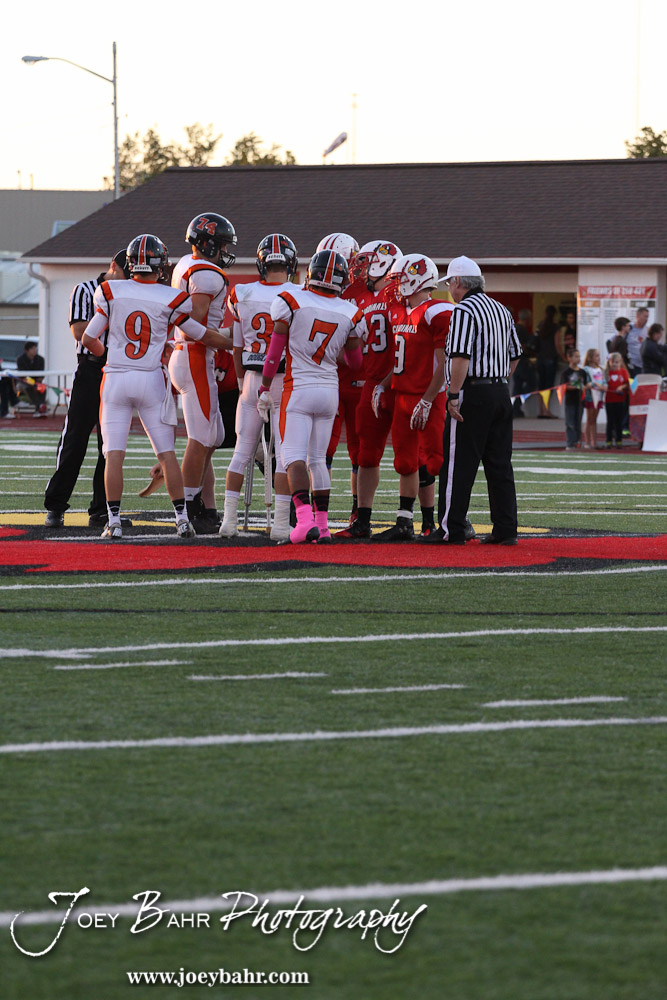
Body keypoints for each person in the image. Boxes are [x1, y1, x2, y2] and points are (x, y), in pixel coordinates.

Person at [80, 234, 231, 538]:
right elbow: (198, 333)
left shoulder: (110, 290)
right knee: (167, 454)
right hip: (151, 379)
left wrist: (110, 356)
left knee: (114, 454)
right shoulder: (170, 297)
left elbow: (87, 338)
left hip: (116, 378)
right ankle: (182, 519)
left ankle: (113, 521)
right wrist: (234, 341)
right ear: (161, 266)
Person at [256, 249, 366, 544]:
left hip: (299, 388)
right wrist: (332, 353)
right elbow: (356, 363)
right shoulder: (350, 312)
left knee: (293, 457)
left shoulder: (291, 302)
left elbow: (274, 352)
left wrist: (264, 387)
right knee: (318, 460)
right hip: (329, 389)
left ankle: (304, 522)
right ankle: (323, 525)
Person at [433, 255, 522, 545]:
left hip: (473, 391)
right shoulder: (501, 310)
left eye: (449, 283)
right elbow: (515, 354)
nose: (449, 288)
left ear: (457, 282)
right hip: (499, 391)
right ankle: (506, 529)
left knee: (458, 464)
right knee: (499, 465)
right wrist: (498, 379)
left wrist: (454, 394)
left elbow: (459, 356)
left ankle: (452, 528)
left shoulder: (463, 311)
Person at [218, 233, 299, 540]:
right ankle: (280, 524)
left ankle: (229, 521)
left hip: (252, 378)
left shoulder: (242, 293)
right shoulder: (298, 294)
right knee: (282, 451)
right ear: (289, 263)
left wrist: (241, 382)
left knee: (241, 451)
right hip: (283, 379)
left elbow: (237, 347)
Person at [43, 251, 130, 528]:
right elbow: (80, 330)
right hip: (92, 368)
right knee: (75, 440)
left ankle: (102, 510)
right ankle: (56, 505)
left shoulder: (130, 292)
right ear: (114, 266)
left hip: (117, 372)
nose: (131, 280)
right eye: (128, 273)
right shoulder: (86, 290)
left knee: (111, 445)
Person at [370, 253, 451, 541]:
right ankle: (405, 521)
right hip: (403, 395)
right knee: (404, 461)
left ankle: (447, 521)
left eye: (400, 278)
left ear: (417, 278)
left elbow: (445, 364)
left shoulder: (437, 311)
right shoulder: (400, 312)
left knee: (436, 462)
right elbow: (401, 361)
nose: (395, 285)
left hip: (428, 397)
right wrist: (382, 384)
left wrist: (428, 399)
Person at [169, 212, 236, 533]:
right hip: (194, 354)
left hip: (190, 356)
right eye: (221, 245)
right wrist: (231, 342)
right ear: (208, 244)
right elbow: (194, 325)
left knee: (213, 437)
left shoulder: (185, 263)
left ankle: (205, 507)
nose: (224, 252)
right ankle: (191, 506)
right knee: (203, 437)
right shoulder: (207, 275)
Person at [334, 239, 403, 539]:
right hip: (373, 380)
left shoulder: (398, 295)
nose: (358, 270)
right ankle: (362, 519)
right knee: (365, 454)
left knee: (411, 455)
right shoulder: (359, 296)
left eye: (364, 262)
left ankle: (412, 519)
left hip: (398, 382)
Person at [316, 233, 362, 524]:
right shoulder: (365, 295)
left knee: (323, 451)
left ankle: (316, 514)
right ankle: (358, 512)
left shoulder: (310, 294)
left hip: (327, 378)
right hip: (351, 378)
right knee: (356, 452)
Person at [560, 348, 590, 450]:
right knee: (570, 423)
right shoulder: (566, 373)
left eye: (579, 356)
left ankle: (578, 442)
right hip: (570, 401)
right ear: (569, 358)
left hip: (580, 401)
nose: (578, 359)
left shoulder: (582, 372)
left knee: (578, 422)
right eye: (576, 356)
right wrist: (575, 387)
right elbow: (563, 387)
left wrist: (585, 387)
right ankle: (570, 443)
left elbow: (585, 384)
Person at [511, 309, 538, 417]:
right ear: (527, 319)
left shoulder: (515, 328)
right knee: (532, 382)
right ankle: (516, 405)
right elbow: (522, 347)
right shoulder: (522, 330)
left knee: (517, 385)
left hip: (514, 361)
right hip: (522, 361)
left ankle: (515, 408)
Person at [536, 304, 560, 417]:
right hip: (551, 358)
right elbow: (557, 344)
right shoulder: (555, 327)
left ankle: (541, 410)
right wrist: (564, 356)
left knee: (541, 385)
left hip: (540, 357)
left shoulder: (540, 325)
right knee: (548, 386)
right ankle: (547, 411)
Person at [603, 353, 630, 450]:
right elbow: (603, 384)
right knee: (610, 421)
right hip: (609, 400)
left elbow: (627, 383)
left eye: (617, 362)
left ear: (620, 362)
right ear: (609, 362)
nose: (614, 364)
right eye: (612, 362)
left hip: (620, 400)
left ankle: (619, 440)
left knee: (619, 421)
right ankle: (608, 440)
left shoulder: (623, 372)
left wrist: (621, 387)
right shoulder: (606, 373)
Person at [582, 348, 605, 449]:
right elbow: (586, 383)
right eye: (596, 356)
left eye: (599, 356)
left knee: (594, 420)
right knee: (589, 419)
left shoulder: (601, 369)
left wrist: (603, 386)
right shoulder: (586, 369)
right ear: (590, 358)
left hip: (599, 396)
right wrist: (593, 384)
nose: (599, 358)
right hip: (590, 396)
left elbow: (603, 382)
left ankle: (594, 442)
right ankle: (587, 442)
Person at [15, 341, 46, 415]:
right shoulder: (20, 360)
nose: (35, 350)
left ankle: (40, 407)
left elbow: (41, 374)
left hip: (36, 382)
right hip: (23, 382)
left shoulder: (40, 359)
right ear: (27, 350)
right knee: (27, 388)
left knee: (42, 388)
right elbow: (23, 376)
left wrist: (37, 382)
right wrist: (33, 383)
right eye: (32, 348)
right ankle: (39, 406)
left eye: (35, 348)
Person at [626, 306, 649, 376]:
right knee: (633, 386)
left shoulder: (648, 331)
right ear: (637, 316)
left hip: (645, 367)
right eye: (645, 316)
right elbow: (612, 341)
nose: (646, 319)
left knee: (643, 386)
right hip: (632, 367)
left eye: (647, 317)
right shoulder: (629, 329)